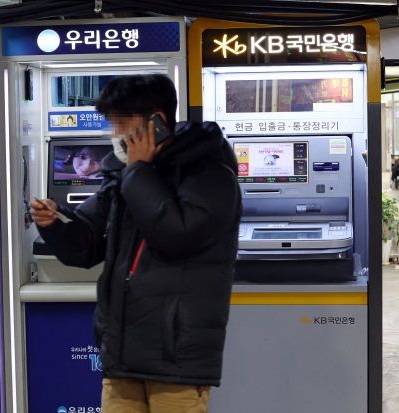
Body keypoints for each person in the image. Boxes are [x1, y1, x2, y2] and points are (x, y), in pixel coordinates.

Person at [30, 74, 242, 412]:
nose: (115, 134)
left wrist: (138, 171)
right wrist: (54, 224)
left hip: (177, 358)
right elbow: (85, 247)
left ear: (157, 121)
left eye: (122, 123)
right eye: (112, 123)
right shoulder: (124, 176)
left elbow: (178, 236)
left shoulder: (209, 175)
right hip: (122, 355)